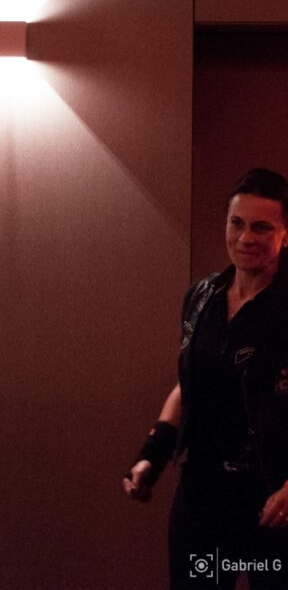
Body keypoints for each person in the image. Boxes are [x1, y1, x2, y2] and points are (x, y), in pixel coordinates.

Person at [124, 168, 288, 589]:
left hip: (273, 499)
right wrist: (152, 454)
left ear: (285, 234)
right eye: (237, 223)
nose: (245, 238)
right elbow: (190, 385)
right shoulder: (202, 298)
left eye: (261, 227)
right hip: (204, 494)